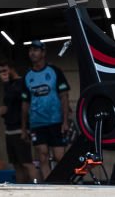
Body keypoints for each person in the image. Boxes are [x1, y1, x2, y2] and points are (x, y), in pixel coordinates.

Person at [21, 40, 70, 180]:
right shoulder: (27, 76)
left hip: (55, 121)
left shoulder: (55, 71)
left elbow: (64, 96)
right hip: (37, 123)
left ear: (43, 53)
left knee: (59, 156)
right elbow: (25, 103)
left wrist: (65, 121)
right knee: (42, 156)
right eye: (31, 50)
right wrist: (24, 128)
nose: (33, 53)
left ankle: (68, 184)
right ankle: (50, 187)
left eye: (36, 50)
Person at [0, 61, 36, 183]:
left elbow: (23, 103)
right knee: (16, 164)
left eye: (5, 71)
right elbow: (9, 104)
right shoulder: (8, 85)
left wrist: (25, 129)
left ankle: (40, 189)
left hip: (20, 128)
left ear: (12, 69)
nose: (3, 74)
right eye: (0, 72)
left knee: (27, 163)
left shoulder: (21, 83)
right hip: (9, 129)